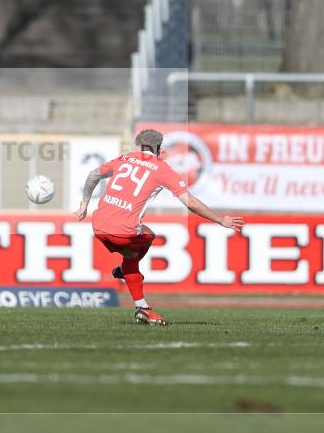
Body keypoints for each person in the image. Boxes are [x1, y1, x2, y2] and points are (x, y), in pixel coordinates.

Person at [74, 128, 243, 325]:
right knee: (147, 237)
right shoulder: (162, 168)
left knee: (131, 260)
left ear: (138, 145)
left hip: (98, 226)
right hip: (124, 231)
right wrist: (220, 220)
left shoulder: (125, 158)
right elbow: (191, 203)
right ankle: (125, 270)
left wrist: (84, 204)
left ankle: (142, 307)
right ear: (159, 149)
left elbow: (94, 174)